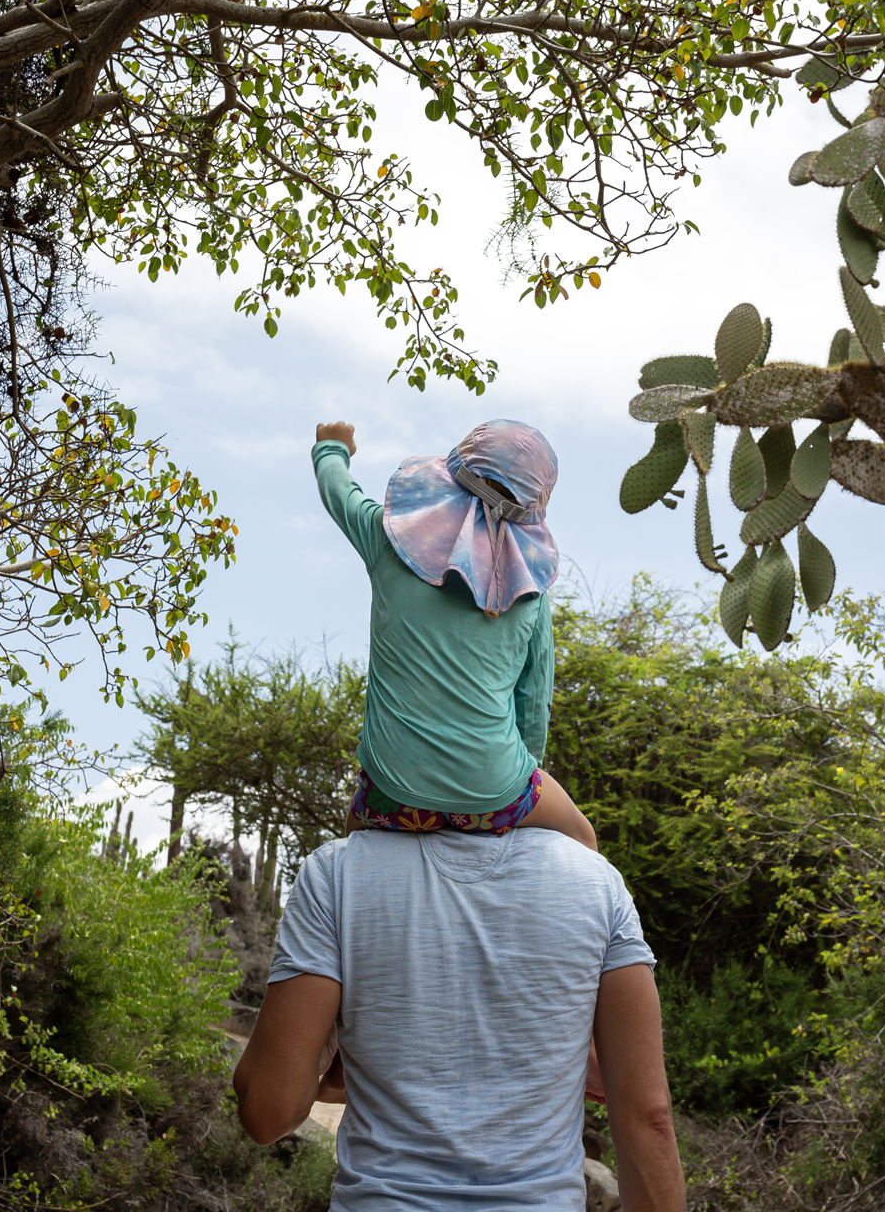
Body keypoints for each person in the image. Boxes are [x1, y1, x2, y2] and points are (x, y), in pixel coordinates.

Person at [230, 822, 686, 1211]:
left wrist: (328, 1060)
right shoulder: (597, 881)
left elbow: (268, 1114)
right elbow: (649, 1118)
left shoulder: (338, 872)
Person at [306, 418, 596, 847]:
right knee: (583, 837)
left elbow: (341, 495)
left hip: (391, 790)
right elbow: (534, 700)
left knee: (348, 852)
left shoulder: (386, 539)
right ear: (534, 501)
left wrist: (332, 448)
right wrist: (521, 776)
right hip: (495, 794)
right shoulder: (530, 589)